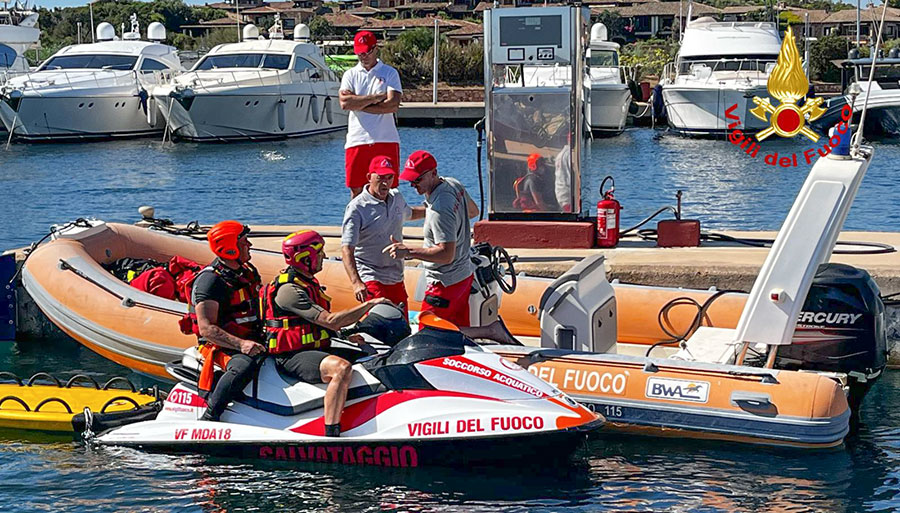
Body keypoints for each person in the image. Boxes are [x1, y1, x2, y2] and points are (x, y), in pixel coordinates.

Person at [261, 230, 395, 437]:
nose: (323, 256)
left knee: (373, 356)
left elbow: (317, 325)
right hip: (291, 356)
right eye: (320, 252)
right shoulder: (289, 290)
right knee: (341, 368)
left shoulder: (306, 282)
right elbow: (330, 321)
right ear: (305, 258)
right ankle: (331, 431)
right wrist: (371, 304)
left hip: (316, 346)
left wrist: (346, 337)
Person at [383, 150, 519, 344]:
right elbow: (472, 211)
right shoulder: (452, 184)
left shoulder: (440, 208)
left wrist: (407, 251)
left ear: (433, 173)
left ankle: (490, 330)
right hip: (464, 276)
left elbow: (446, 254)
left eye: (418, 180)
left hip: (444, 283)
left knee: (428, 333)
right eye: (410, 181)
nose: (413, 185)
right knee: (456, 337)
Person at [182, 221, 263, 422]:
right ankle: (211, 415)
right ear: (229, 247)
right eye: (245, 242)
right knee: (243, 366)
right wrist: (241, 344)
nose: (249, 245)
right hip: (220, 346)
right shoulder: (210, 281)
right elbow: (207, 329)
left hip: (252, 336)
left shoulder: (247, 272)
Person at [341, 156, 421, 319]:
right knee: (382, 324)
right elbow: (347, 249)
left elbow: (411, 213)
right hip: (371, 276)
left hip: (396, 277)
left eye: (389, 177)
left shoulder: (397, 198)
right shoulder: (357, 208)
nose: (385, 183)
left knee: (401, 325)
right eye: (380, 178)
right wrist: (356, 283)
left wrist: (436, 208)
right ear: (369, 177)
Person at [339, 30, 403, 198]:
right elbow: (345, 103)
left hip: (386, 139)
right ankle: (356, 223)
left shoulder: (390, 73)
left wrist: (359, 103)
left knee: (388, 190)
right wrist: (375, 98)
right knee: (356, 189)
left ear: (376, 49)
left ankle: (388, 223)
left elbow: (392, 105)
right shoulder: (350, 75)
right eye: (360, 52)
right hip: (357, 139)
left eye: (367, 51)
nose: (363, 56)